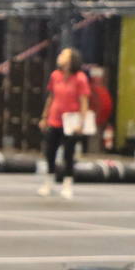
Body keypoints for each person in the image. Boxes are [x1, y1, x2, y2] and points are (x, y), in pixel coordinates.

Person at [39, 48, 90, 199]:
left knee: (68, 153)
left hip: (71, 122)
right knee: (50, 152)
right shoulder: (55, 76)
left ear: (71, 60)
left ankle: (67, 184)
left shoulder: (80, 78)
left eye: (63, 55)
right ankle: (48, 182)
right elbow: (51, 97)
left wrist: (81, 123)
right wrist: (44, 116)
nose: (59, 56)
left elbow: (84, 102)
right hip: (54, 119)